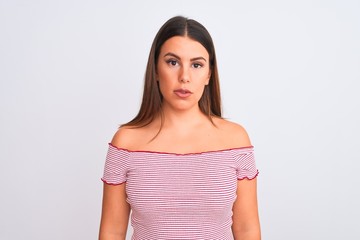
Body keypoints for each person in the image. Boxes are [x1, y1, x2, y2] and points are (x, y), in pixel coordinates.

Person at [99, 16, 261, 240]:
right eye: (172, 62)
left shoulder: (235, 140)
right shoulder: (126, 143)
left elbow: (247, 230)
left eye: (196, 65)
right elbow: (112, 232)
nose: (184, 77)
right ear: (155, 69)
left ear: (209, 74)